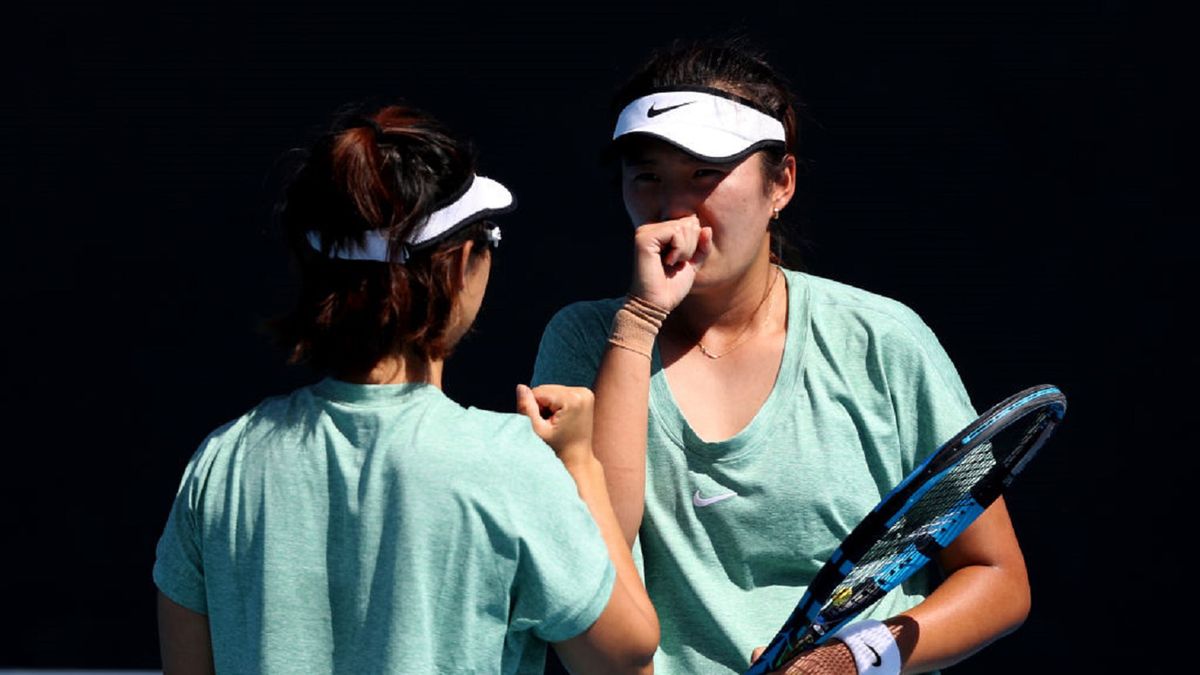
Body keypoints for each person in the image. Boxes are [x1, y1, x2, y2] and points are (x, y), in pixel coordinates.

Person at [532, 38, 1030, 674]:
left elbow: (997, 578)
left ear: (782, 183)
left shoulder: (884, 341)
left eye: (705, 175)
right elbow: (599, 570)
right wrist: (640, 321)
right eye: (647, 176)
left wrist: (851, 660)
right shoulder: (583, 341)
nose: (673, 207)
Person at [152, 101, 658, 674]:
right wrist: (579, 464)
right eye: (489, 236)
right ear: (460, 261)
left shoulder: (222, 465)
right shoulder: (508, 466)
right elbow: (626, 656)